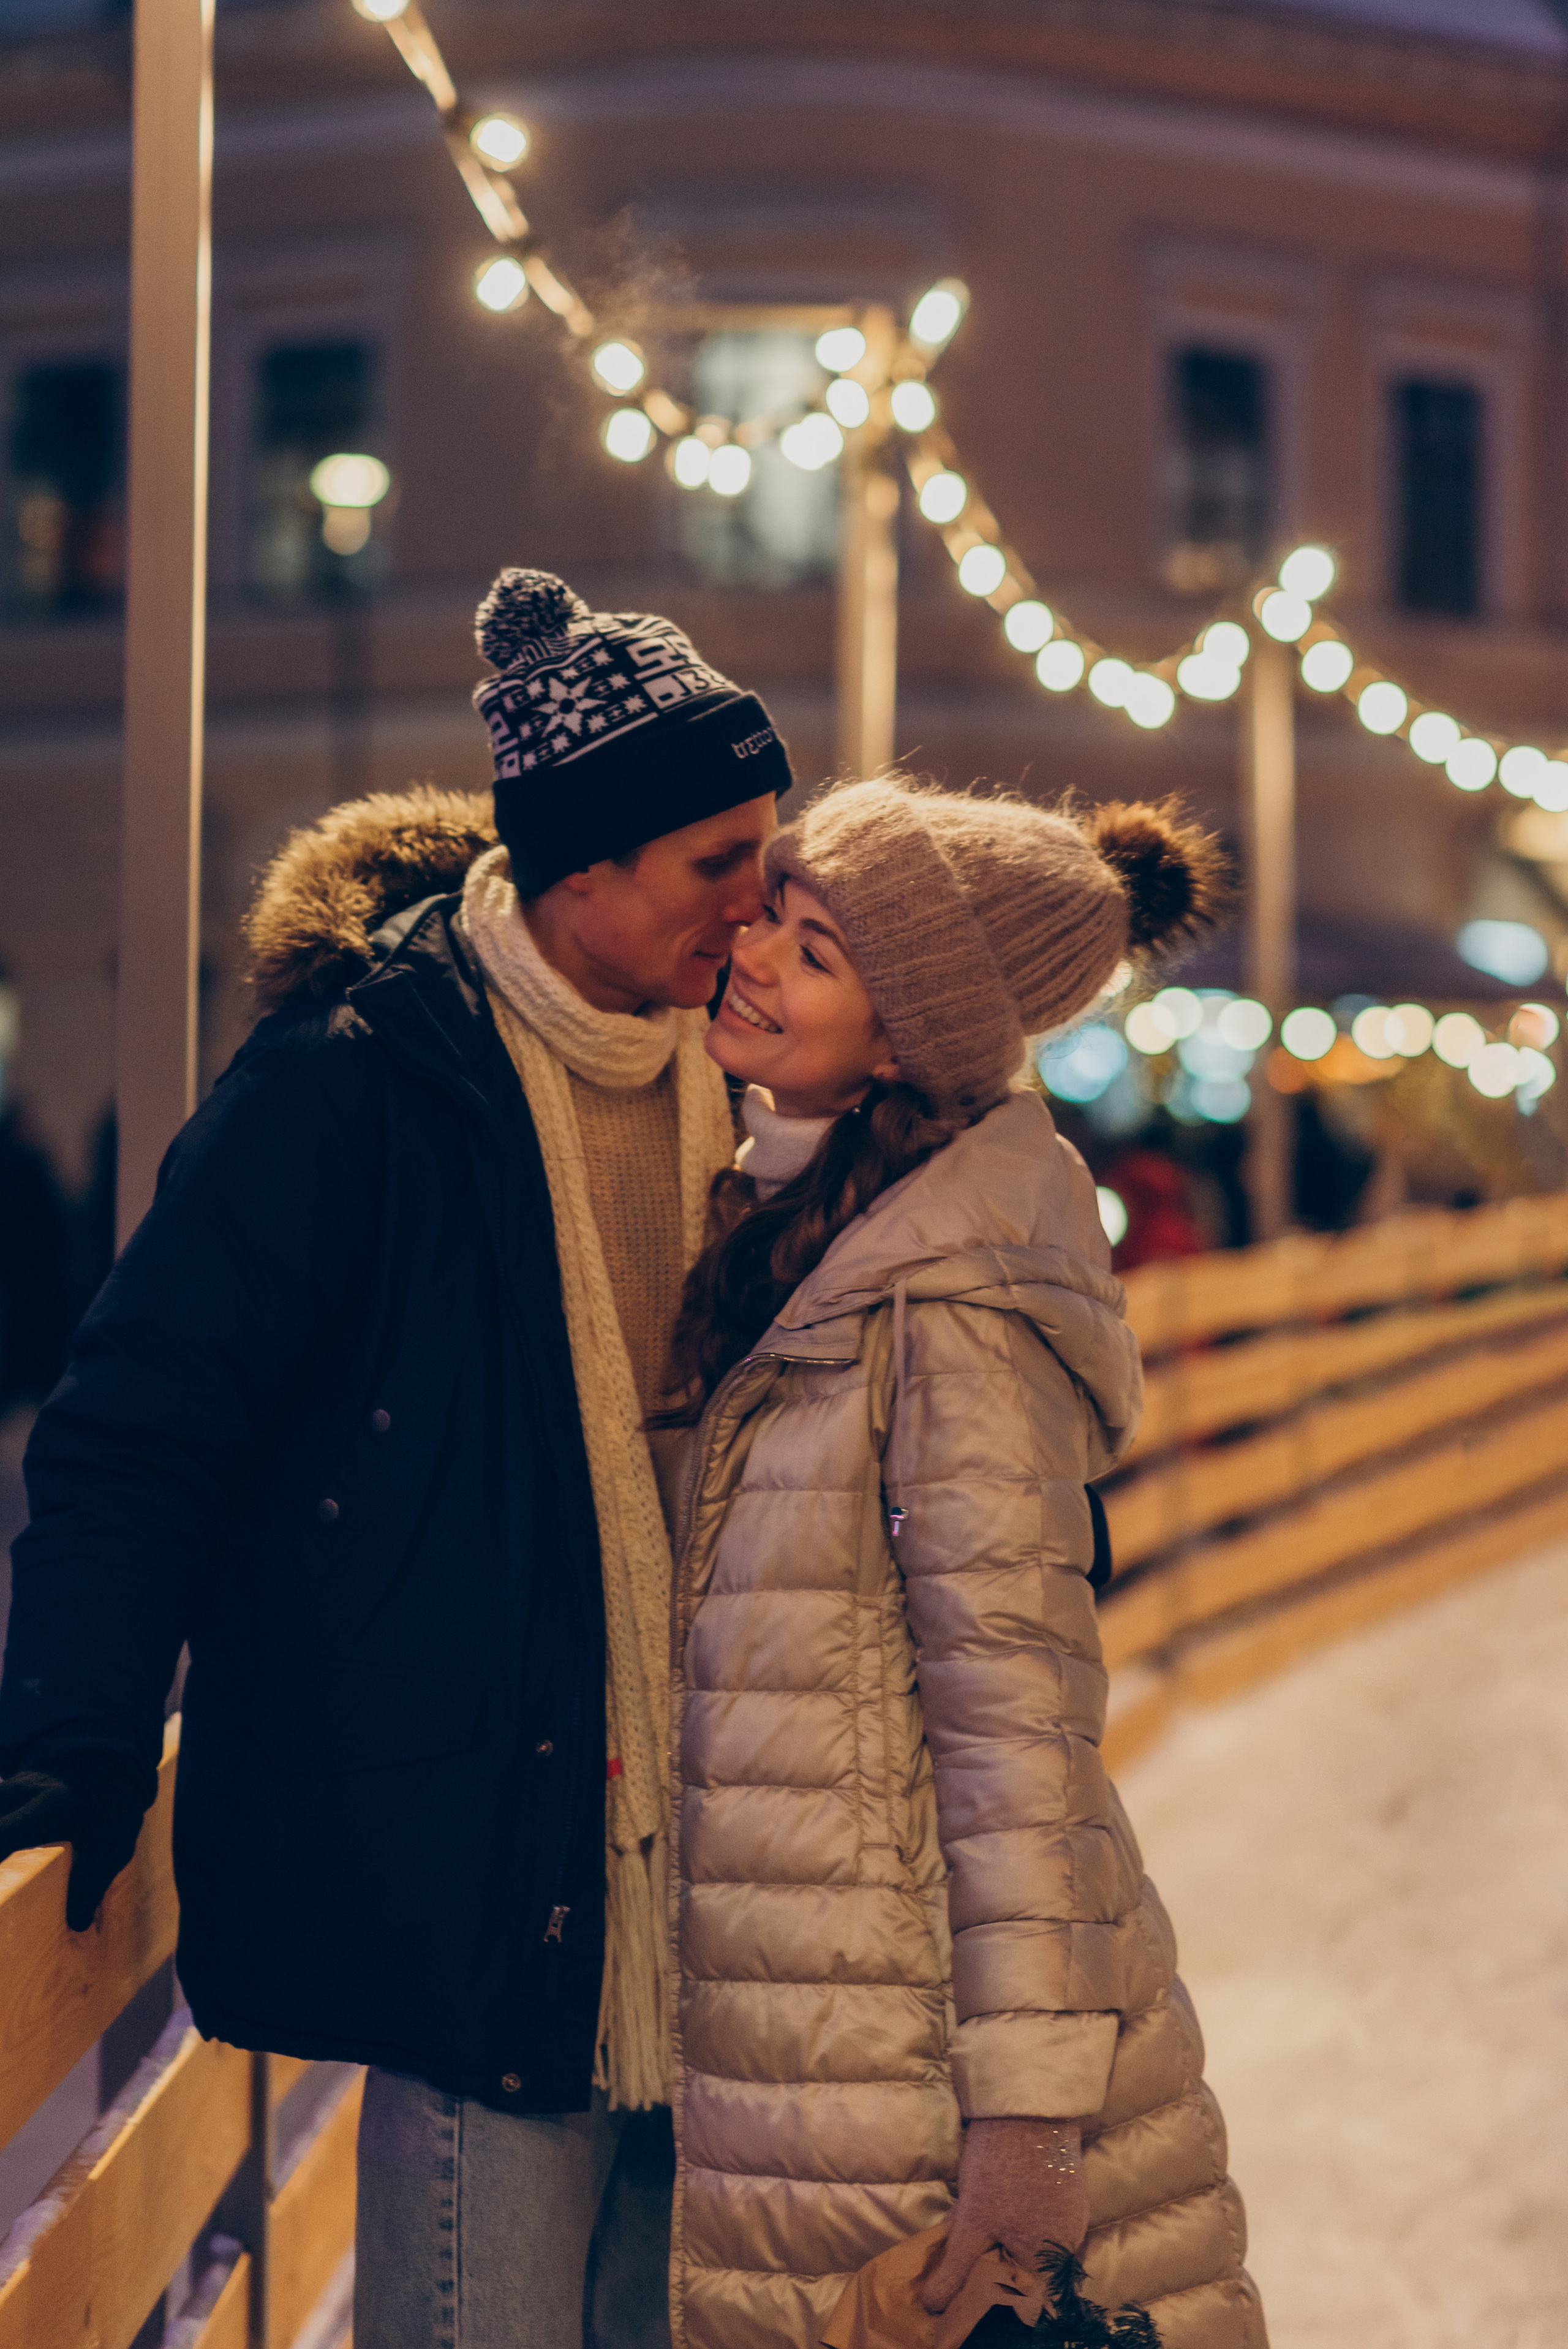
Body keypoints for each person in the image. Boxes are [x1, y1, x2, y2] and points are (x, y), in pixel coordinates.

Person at [0, 569, 791, 2348]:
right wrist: (75, 1729)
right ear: (583, 866)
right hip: (480, 1879)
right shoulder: (359, 1079)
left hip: (705, 1888)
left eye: (769, 843)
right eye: (715, 859)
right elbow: (141, 1420)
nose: (761, 895)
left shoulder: (735, 1082)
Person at [656, 777, 1267, 2349]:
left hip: (906, 2059)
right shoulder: (804, 1229)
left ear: (904, 1038)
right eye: (773, 921)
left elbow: (1019, 1734)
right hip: (814, 2026)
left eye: (820, 955)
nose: (759, 963)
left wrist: (1026, 2131)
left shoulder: (947, 1307)